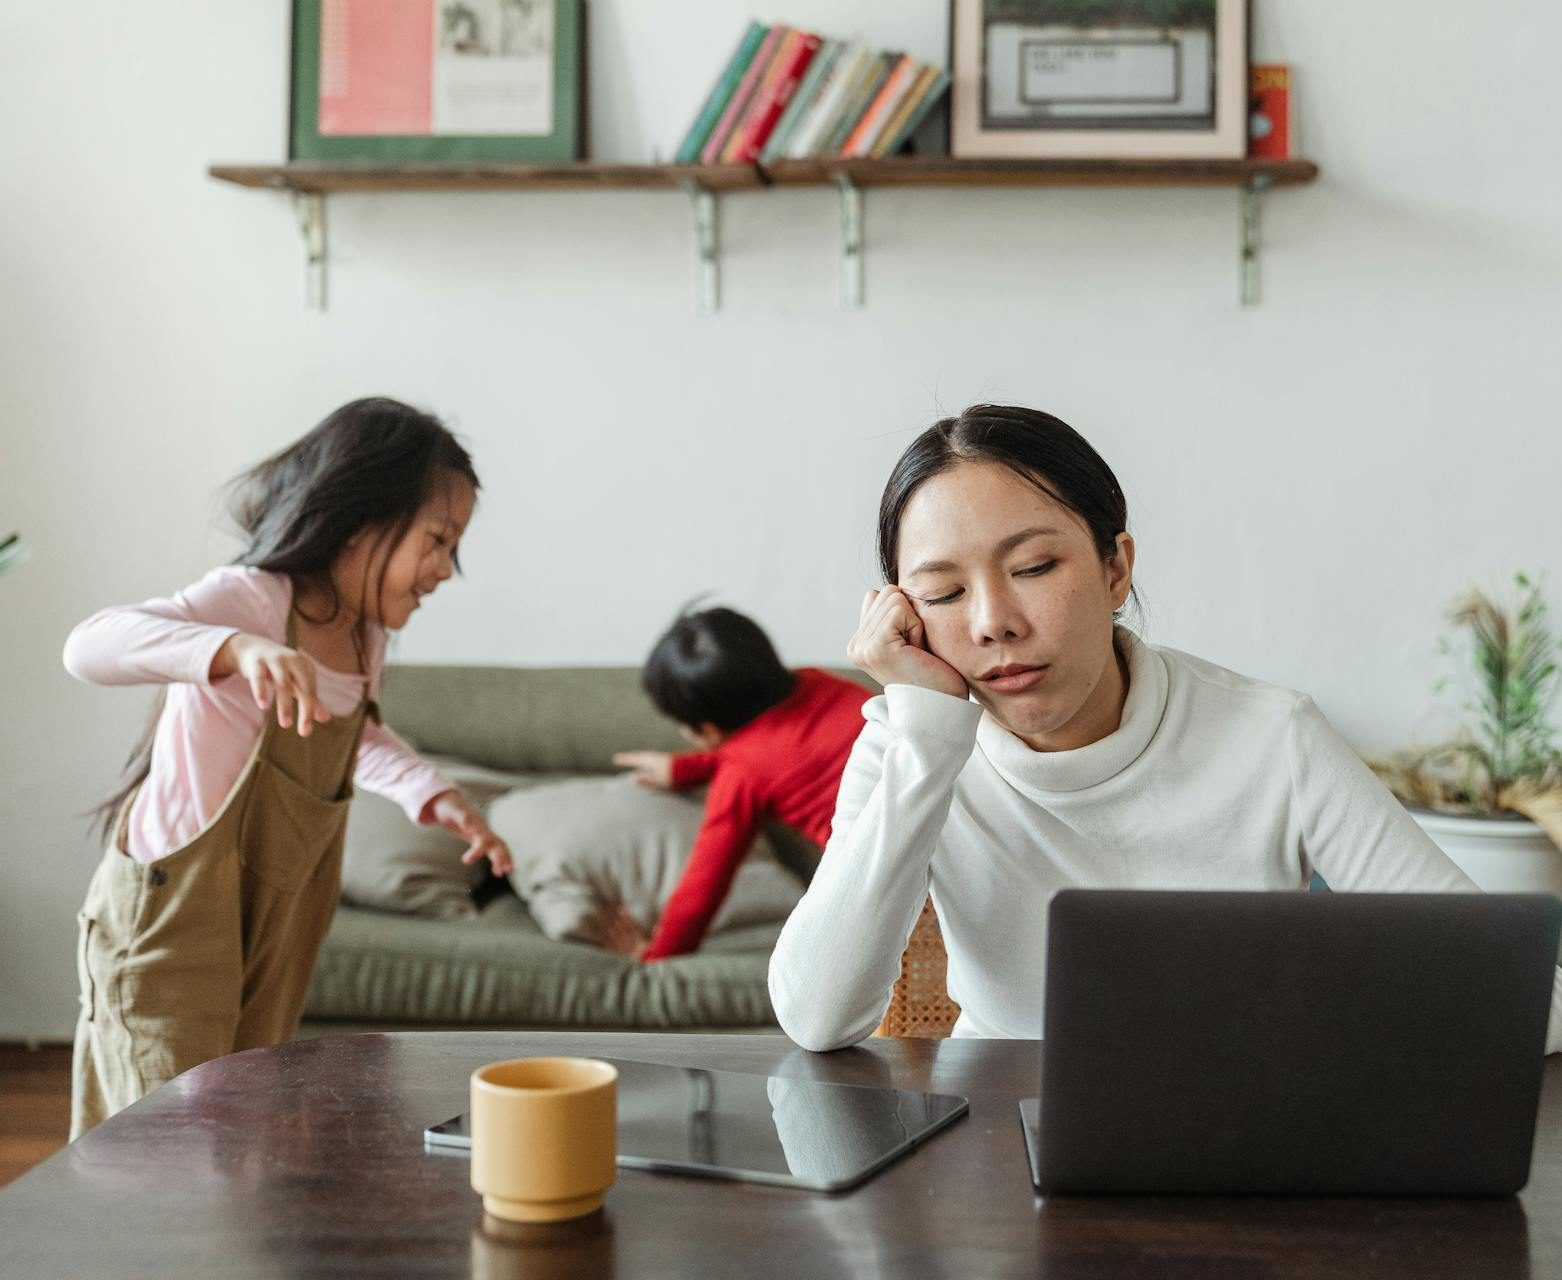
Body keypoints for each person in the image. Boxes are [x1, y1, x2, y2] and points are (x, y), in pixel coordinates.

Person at [768, 404, 1562, 1053]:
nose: (993, 624)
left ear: (1116, 568)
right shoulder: (912, 744)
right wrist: (929, 738)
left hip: (1240, 1129)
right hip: (997, 1139)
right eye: (941, 594)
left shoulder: (1270, 737)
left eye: (1035, 568)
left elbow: (1514, 990)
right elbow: (817, 1016)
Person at [63, 396, 513, 1135]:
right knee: (162, 1136)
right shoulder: (249, 601)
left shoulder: (363, 636)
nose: (445, 570)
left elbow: (353, 736)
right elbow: (88, 646)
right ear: (359, 523)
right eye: (436, 540)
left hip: (276, 920)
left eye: (453, 548)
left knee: (239, 1121)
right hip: (172, 917)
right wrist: (234, 648)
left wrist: (435, 795)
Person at [609, 606, 871, 961]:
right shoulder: (817, 681)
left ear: (708, 729)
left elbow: (703, 885)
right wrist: (686, 768)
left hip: (883, 880)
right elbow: (787, 746)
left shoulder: (741, 775)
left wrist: (658, 954)